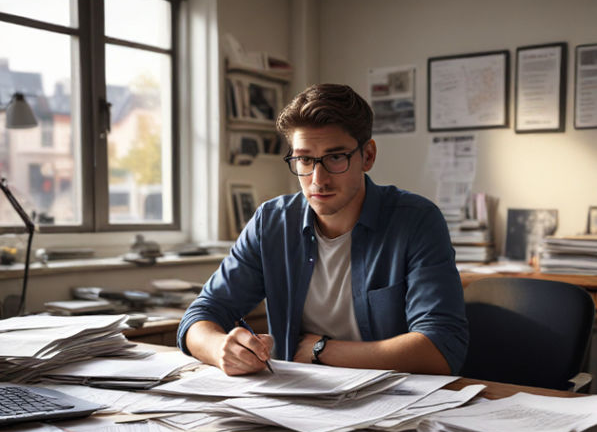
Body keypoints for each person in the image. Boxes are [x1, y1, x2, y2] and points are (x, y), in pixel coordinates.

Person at [178, 83, 468, 376]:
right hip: (300, 400)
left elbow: (441, 348)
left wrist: (322, 350)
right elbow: (200, 316)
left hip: (395, 401)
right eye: (304, 159)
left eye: (335, 157)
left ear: (367, 156)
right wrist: (221, 350)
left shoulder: (416, 221)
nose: (318, 179)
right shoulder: (272, 223)